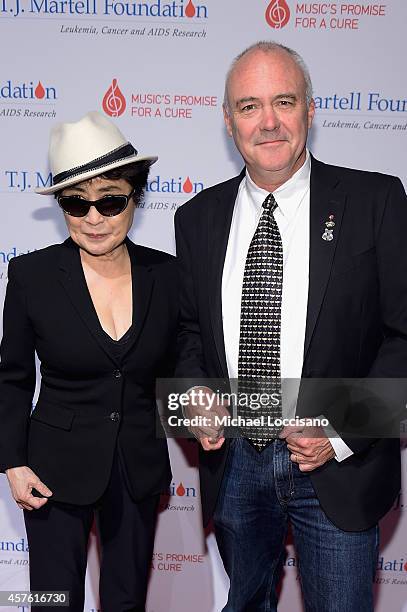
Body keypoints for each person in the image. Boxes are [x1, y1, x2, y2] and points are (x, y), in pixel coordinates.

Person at [174, 41, 407, 611]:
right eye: (249, 107)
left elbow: (404, 338)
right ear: (229, 123)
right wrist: (194, 393)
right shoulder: (196, 218)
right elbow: (188, 335)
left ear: (309, 110)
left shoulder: (375, 199)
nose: (269, 121)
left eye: (284, 101)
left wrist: (337, 433)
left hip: (336, 467)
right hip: (235, 466)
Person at [0, 111, 178, 612]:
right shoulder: (32, 275)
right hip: (51, 469)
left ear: (136, 198)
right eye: (76, 204)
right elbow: (12, 377)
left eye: (111, 200)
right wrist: (12, 461)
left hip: (137, 467)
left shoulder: (167, 275)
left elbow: (184, 363)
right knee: (53, 602)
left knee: (126, 602)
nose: (93, 218)